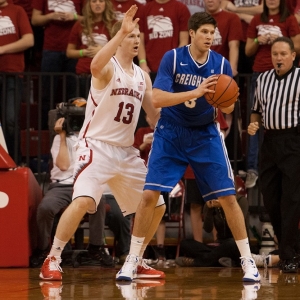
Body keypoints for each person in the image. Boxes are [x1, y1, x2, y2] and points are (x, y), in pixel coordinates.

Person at [120, 11, 261, 282]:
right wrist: (196, 93)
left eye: (213, 33)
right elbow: (158, 98)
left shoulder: (220, 64)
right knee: (149, 196)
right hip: (171, 133)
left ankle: (248, 262)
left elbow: (229, 107)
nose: (210, 37)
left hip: (205, 134)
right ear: (193, 33)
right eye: (205, 32)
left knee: (228, 198)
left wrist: (226, 100)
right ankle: (132, 260)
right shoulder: (173, 58)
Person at [39, 5, 166, 282]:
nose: (135, 40)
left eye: (138, 37)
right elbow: (95, 65)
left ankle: (136, 260)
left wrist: (169, 124)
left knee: (157, 204)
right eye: (131, 36)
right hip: (96, 146)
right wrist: (121, 30)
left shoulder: (142, 76)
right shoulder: (108, 67)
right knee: (84, 200)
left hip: (125, 151)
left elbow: (153, 113)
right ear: (119, 38)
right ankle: (52, 259)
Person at [31, 116, 114, 268]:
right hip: (61, 187)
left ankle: (95, 249)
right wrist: (62, 135)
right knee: (45, 208)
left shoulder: (94, 140)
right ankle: (43, 249)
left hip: (84, 184)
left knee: (99, 201)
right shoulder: (60, 138)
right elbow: (63, 165)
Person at [247, 36, 300, 273]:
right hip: (269, 142)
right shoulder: (263, 79)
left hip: (294, 141)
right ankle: (292, 248)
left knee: (291, 200)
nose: (278, 58)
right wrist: (253, 125)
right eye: (274, 54)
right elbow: (256, 111)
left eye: (282, 54)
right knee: (270, 199)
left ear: (292, 56)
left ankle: (289, 255)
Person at [244, 0, 300, 188]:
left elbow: (297, 46)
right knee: (256, 119)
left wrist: (279, 40)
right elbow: (247, 50)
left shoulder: (290, 19)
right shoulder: (256, 20)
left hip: (287, 76)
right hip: (260, 73)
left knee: (284, 119)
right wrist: (260, 40)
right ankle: (253, 168)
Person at [31, 0, 85, 129]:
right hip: (51, 48)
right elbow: (35, 19)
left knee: (74, 95)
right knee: (46, 93)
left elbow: (92, 17)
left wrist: (75, 17)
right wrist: (51, 16)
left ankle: (73, 130)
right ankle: (45, 130)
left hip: (75, 48)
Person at [0, 0, 34, 164]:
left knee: (10, 121)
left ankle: (13, 163)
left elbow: (29, 40)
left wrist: (2, 49)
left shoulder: (17, 10)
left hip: (12, 74)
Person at [66, 0, 116, 98]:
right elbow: (69, 52)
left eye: (101, 1)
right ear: (89, 5)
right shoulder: (80, 24)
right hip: (83, 74)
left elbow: (120, 51)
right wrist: (83, 52)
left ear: (106, 4)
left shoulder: (113, 24)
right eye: (94, 1)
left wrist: (102, 51)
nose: (97, 4)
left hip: (105, 74)